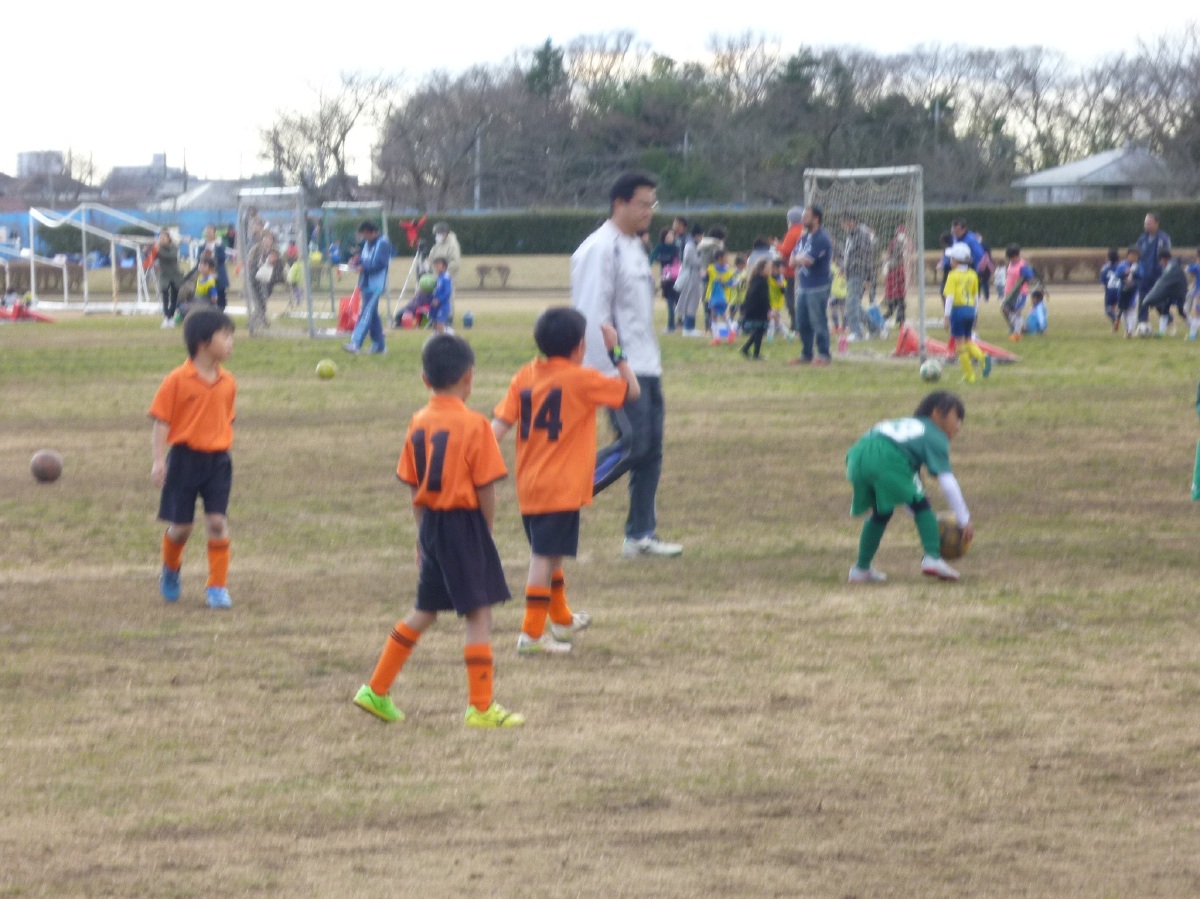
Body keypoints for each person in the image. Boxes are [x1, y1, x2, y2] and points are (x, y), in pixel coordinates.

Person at [353, 334, 524, 729]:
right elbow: (485, 487)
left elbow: (414, 485)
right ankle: (481, 707)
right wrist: (485, 532)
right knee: (479, 613)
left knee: (425, 610)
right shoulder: (475, 424)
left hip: (431, 522)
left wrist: (421, 535)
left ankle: (376, 689)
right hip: (463, 525)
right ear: (469, 377)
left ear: (424, 379)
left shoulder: (419, 421)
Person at [492, 308, 639, 655]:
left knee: (551, 553)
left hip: (530, 484)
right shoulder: (582, 379)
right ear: (578, 347)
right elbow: (631, 391)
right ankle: (531, 634)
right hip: (561, 487)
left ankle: (560, 618)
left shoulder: (525, 375)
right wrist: (617, 351)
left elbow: (497, 428)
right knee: (544, 557)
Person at [571, 170, 683, 559]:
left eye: (653, 203)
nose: (649, 211)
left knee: (651, 451)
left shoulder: (635, 247)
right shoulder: (599, 248)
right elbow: (592, 316)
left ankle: (640, 534)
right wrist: (605, 371)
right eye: (643, 203)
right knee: (634, 444)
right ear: (619, 203)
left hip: (647, 365)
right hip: (619, 369)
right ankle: (564, 493)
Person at [148, 306, 237, 610]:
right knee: (181, 528)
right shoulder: (177, 379)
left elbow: (227, 418)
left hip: (218, 463)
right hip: (184, 461)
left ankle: (217, 587)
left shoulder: (228, 382)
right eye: (225, 336)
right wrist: (159, 461)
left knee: (217, 522)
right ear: (203, 342)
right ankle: (170, 569)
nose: (231, 342)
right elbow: (162, 420)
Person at [846, 390, 973, 584]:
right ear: (937, 413)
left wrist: (915, 510)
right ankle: (932, 558)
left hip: (857, 456)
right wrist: (964, 520)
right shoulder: (935, 434)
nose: (958, 426)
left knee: (882, 512)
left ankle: (861, 569)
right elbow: (947, 483)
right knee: (922, 504)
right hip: (886, 456)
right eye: (957, 418)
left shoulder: (909, 425)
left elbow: (908, 483)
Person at [789, 205, 834, 366]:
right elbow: (791, 260)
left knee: (818, 321)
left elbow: (808, 261)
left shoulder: (822, 238)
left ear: (816, 218)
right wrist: (799, 259)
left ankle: (824, 354)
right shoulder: (803, 238)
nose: (803, 219)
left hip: (818, 287)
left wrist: (799, 259)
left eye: (806, 216)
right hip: (803, 286)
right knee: (802, 322)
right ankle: (806, 353)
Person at [342, 220, 393, 355]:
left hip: (375, 285)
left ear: (374, 232)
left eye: (366, 234)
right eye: (363, 235)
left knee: (365, 313)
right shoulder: (367, 243)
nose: (365, 238)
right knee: (373, 316)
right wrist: (356, 262)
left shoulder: (383, 243)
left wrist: (363, 268)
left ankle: (355, 343)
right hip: (365, 283)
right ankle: (379, 346)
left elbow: (380, 264)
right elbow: (365, 259)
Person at [943, 243, 991, 383]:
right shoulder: (973, 275)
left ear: (956, 261)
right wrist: (975, 314)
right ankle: (982, 358)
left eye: (951, 258)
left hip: (958, 310)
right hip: (970, 310)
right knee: (968, 340)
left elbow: (950, 297)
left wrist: (946, 316)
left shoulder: (953, 275)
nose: (950, 260)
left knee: (960, 344)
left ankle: (969, 374)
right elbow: (976, 297)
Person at [841, 211, 875, 340]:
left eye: (846, 222)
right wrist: (844, 269)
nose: (844, 225)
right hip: (851, 274)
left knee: (851, 304)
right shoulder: (850, 236)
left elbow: (866, 257)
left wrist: (868, 277)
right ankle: (875, 328)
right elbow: (849, 256)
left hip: (858, 274)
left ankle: (856, 332)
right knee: (854, 305)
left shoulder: (861, 235)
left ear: (853, 221)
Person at [1139, 249, 1187, 335]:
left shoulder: (1172, 266)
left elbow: (1164, 282)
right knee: (1164, 309)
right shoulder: (1168, 266)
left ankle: (1193, 328)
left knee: (1181, 311)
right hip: (1170, 292)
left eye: (1160, 260)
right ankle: (1161, 332)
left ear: (1164, 259)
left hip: (1178, 292)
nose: (1160, 263)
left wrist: (1151, 297)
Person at [1135, 212, 1171, 325]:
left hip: (1157, 276)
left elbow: (1166, 256)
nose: (1146, 225)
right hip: (1143, 276)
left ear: (1157, 223)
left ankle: (1168, 319)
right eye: (1145, 223)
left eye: (1149, 223)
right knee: (1143, 300)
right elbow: (1136, 256)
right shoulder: (1142, 239)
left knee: (1157, 301)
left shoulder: (1163, 238)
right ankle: (1142, 323)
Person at [244, 231, 284, 334]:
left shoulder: (275, 250)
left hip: (268, 281)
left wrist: (274, 262)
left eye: (270, 239)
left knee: (263, 301)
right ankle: (256, 321)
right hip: (255, 279)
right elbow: (249, 262)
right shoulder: (256, 249)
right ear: (262, 239)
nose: (268, 241)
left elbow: (281, 264)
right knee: (258, 302)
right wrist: (261, 262)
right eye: (266, 238)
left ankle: (258, 320)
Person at [777, 206, 806, 334]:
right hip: (804, 271)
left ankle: (795, 324)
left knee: (790, 299)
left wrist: (776, 245)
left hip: (790, 271)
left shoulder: (792, 232)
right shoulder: (805, 230)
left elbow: (786, 250)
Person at [999, 244, 1037, 341]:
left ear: (1016, 255)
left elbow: (1030, 276)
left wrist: (1029, 272)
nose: (1010, 259)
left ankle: (1017, 333)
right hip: (1009, 293)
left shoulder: (1022, 265)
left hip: (1019, 293)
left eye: (1012, 257)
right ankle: (1020, 328)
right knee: (1005, 309)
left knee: (1017, 312)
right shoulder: (1011, 264)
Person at [674, 224, 705, 336]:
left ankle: (690, 327)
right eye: (701, 235)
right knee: (690, 302)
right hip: (691, 277)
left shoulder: (694, 245)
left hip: (694, 276)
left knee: (693, 302)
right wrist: (703, 260)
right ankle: (688, 328)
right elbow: (691, 261)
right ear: (697, 235)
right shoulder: (690, 246)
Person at [650, 227, 681, 333]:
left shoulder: (676, 247)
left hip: (676, 277)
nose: (670, 238)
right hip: (666, 278)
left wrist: (661, 258)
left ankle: (680, 323)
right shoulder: (660, 247)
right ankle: (671, 325)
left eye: (672, 236)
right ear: (664, 237)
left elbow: (677, 260)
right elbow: (652, 257)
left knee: (677, 301)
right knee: (670, 302)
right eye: (668, 236)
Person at [739, 258, 771, 360]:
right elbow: (764, 298)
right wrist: (768, 310)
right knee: (759, 330)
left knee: (758, 331)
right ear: (762, 269)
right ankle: (755, 353)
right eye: (768, 268)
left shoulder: (755, 280)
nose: (770, 270)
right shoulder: (762, 281)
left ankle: (746, 348)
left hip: (752, 308)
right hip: (758, 309)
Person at [881, 224, 909, 334]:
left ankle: (899, 322)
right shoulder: (895, 265)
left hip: (896, 281)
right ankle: (888, 321)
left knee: (898, 304)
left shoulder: (899, 245)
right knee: (896, 305)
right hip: (895, 281)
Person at [153, 229, 183, 329]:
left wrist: (159, 250)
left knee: (174, 297)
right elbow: (152, 257)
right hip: (164, 275)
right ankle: (166, 317)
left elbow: (170, 256)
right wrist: (151, 250)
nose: (162, 239)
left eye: (164, 237)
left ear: (169, 238)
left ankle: (171, 316)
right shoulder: (158, 248)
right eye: (160, 237)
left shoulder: (174, 247)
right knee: (165, 296)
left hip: (175, 275)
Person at [705, 247, 736, 345]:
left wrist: (723, 282)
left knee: (720, 314)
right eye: (725, 257)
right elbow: (705, 278)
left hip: (724, 297)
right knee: (715, 315)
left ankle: (726, 333)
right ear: (719, 258)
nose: (727, 259)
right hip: (713, 296)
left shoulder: (729, 271)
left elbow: (732, 283)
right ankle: (719, 336)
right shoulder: (710, 268)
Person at [198, 225, 229, 310]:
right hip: (206, 274)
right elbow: (198, 259)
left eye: (210, 231)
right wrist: (203, 256)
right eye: (207, 232)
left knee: (220, 294)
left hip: (217, 273)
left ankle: (221, 310)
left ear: (214, 233)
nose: (208, 233)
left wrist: (212, 255)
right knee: (208, 293)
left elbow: (222, 258)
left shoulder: (219, 244)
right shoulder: (202, 245)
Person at [1114, 246, 1143, 338]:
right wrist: (1124, 273)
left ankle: (1130, 330)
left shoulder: (1138, 265)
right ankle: (1126, 330)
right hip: (1122, 291)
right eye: (1132, 255)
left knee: (1131, 310)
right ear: (1128, 255)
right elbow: (1117, 274)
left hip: (1133, 292)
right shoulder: (1123, 265)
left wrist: (1134, 275)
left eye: (1136, 256)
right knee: (1123, 311)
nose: (1134, 257)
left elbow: (1141, 275)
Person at [427, 222, 462, 287]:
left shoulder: (453, 245)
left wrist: (442, 271)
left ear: (445, 234)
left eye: (438, 234)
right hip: (435, 278)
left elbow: (455, 263)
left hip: (447, 280)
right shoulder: (436, 246)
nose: (437, 236)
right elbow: (431, 259)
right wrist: (431, 269)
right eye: (436, 234)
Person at [766, 256, 789, 340]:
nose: (773, 270)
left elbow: (784, 291)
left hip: (777, 303)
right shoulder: (768, 277)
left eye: (775, 268)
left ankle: (770, 337)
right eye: (772, 268)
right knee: (776, 321)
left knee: (772, 319)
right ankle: (788, 334)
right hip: (769, 302)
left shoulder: (781, 279)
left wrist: (781, 286)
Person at [429, 256, 454, 333]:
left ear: (444, 266)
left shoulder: (446, 277)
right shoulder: (439, 277)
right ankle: (436, 338)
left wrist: (438, 300)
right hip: (435, 306)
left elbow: (447, 292)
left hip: (443, 305)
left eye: (438, 265)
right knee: (434, 324)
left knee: (440, 324)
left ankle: (443, 338)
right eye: (435, 265)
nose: (436, 267)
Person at [1101, 247, 1122, 329]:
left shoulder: (1105, 268)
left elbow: (1103, 282)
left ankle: (1116, 319)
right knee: (1116, 308)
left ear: (1108, 258)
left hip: (1110, 292)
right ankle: (1115, 324)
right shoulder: (1120, 267)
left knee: (1108, 310)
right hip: (1119, 291)